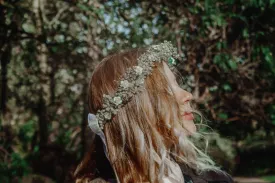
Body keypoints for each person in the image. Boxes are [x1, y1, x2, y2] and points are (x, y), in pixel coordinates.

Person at [73, 41, 233, 183]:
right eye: (166, 90)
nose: (187, 95)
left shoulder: (215, 179)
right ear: (134, 111)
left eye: (178, 84)